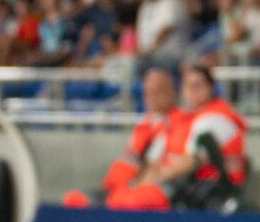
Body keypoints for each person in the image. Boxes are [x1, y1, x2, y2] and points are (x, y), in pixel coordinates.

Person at [90, 63, 248, 211]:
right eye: (188, 86)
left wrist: (152, 181)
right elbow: (155, 161)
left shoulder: (216, 116)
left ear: (211, 88)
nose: (193, 91)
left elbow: (191, 161)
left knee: (128, 201)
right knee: (114, 199)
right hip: (184, 184)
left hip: (209, 189)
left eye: (198, 85)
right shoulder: (185, 120)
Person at [63, 68, 180, 208]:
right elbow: (130, 157)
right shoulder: (146, 123)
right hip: (115, 188)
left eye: (157, 92)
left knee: (121, 201)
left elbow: (157, 166)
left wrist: (133, 186)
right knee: (73, 200)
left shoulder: (177, 123)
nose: (150, 97)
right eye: (147, 93)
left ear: (172, 92)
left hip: (143, 191)